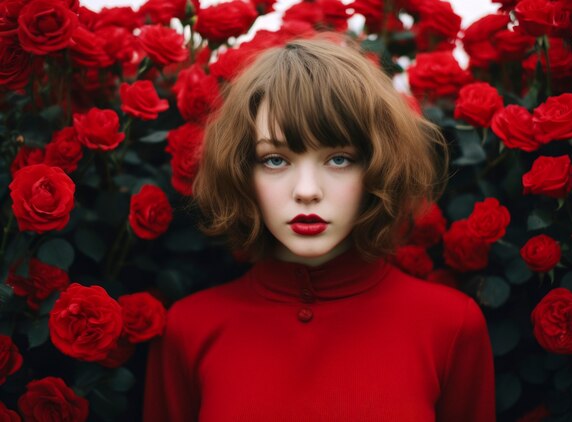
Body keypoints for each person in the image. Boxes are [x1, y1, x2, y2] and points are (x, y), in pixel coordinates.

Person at [143, 35, 495, 421]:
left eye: (339, 159)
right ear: (243, 170)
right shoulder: (189, 329)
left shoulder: (450, 325)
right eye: (275, 160)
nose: (307, 191)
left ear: (377, 166)